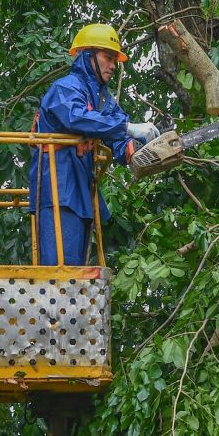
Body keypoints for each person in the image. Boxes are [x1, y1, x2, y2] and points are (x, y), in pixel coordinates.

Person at [28, 23, 160, 265]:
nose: (113, 66)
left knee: (76, 271)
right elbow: (78, 118)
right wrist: (128, 128)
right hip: (58, 188)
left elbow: (117, 132)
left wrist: (136, 149)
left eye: (115, 60)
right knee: (59, 270)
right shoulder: (65, 88)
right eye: (107, 58)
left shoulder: (101, 99)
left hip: (81, 192)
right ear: (87, 56)